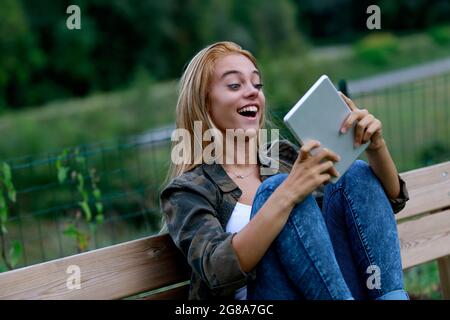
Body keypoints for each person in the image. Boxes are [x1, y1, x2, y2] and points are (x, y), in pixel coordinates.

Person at [159, 41, 410, 300]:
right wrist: (287, 193)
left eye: (257, 85)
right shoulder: (187, 190)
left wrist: (375, 147)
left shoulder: (281, 157)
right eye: (235, 85)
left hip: (326, 289)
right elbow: (217, 272)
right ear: (204, 102)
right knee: (275, 189)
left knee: (355, 173)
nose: (252, 92)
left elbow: (377, 212)